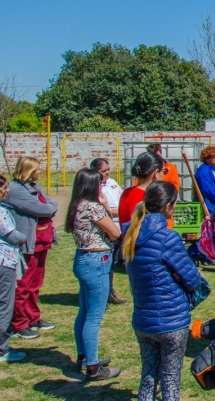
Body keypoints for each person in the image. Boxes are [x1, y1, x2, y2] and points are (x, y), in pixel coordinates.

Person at [124, 181, 202, 401]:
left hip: (143, 317)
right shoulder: (168, 238)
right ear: (168, 206)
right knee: (170, 377)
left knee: (149, 373)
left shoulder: (132, 234)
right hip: (171, 319)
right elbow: (193, 278)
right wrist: (176, 275)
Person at [64, 168, 122, 380]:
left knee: (84, 310)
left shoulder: (76, 205)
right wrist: (104, 204)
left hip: (83, 259)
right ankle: (93, 366)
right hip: (97, 261)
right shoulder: (93, 208)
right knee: (94, 316)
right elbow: (115, 232)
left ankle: (84, 356)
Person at [5, 156, 58, 339]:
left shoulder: (34, 187)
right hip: (28, 244)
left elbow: (51, 204)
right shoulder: (16, 190)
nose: (40, 172)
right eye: (37, 169)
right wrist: (50, 207)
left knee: (35, 283)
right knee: (23, 285)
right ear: (28, 170)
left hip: (42, 242)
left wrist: (50, 206)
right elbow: (45, 209)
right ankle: (19, 324)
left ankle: (33, 317)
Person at [89, 158, 126, 305]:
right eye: (103, 171)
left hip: (118, 228)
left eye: (107, 170)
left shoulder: (112, 183)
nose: (107, 173)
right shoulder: (93, 187)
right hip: (105, 229)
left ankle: (109, 291)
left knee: (113, 262)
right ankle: (103, 293)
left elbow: (121, 199)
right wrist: (118, 212)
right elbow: (100, 210)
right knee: (104, 263)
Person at [0, 176, 27, 363]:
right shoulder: (1, 212)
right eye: (4, 187)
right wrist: (24, 236)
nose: (7, 191)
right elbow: (12, 235)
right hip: (3, 262)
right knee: (4, 305)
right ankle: (2, 348)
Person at [118, 152, 165, 229]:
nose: (163, 176)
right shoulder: (148, 197)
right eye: (164, 171)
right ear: (156, 173)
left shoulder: (127, 192)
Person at [195, 146, 215, 215]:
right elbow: (208, 189)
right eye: (214, 157)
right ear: (207, 158)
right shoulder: (204, 170)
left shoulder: (213, 168)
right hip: (210, 204)